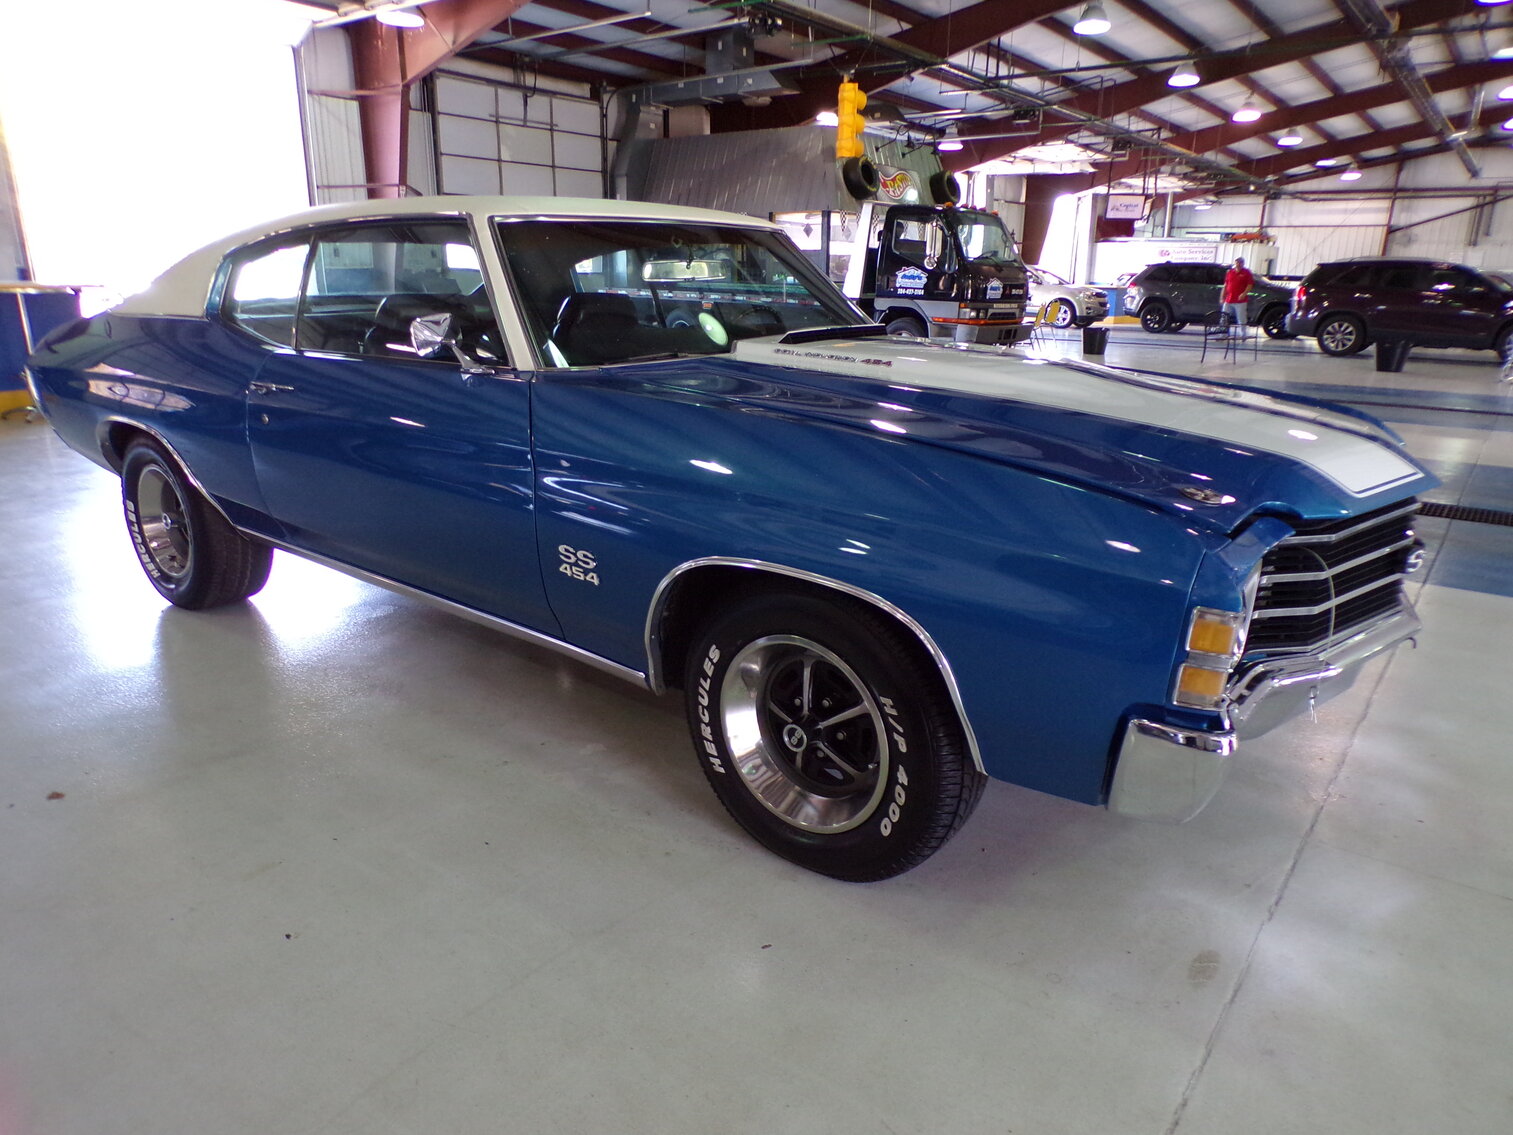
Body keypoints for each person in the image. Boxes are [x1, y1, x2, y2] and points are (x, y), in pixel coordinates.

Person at [1221, 257, 1254, 334]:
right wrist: (1223, 296)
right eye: (1237, 263)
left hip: (1240, 301)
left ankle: (1243, 334)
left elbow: (1250, 285)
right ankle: (1223, 333)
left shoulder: (1246, 273)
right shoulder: (1230, 272)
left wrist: (1244, 293)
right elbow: (1226, 285)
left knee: (1241, 318)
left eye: (1240, 263)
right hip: (1229, 299)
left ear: (1243, 263)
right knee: (1224, 317)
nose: (1238, 264)